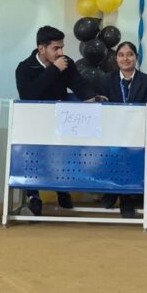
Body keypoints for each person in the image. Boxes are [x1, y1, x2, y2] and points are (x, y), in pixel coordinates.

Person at [15, 25, 98, 216]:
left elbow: (79, 84)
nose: (61, 52)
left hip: (60, 120)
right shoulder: (25, 67)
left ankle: (61, 188)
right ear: (41, 48)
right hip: (33, 123)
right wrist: (53, 70)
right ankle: (33, 196)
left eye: (62, 47)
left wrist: (92, 97)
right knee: (33, 156)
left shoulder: (66, 63)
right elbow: (28, 95)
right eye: (56, 48)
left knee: (60, 155)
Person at [97, 41, 147, 218]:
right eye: (121, 55)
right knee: (113, 148)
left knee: (128, 149)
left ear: (136, 57)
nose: (125, 58)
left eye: (130, 54)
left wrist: (132, 129)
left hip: (138, 131)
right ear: (116, 58)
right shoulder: (106, 79)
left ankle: (119, 194)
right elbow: (102, 109)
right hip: (113, 132)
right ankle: (122, 195)